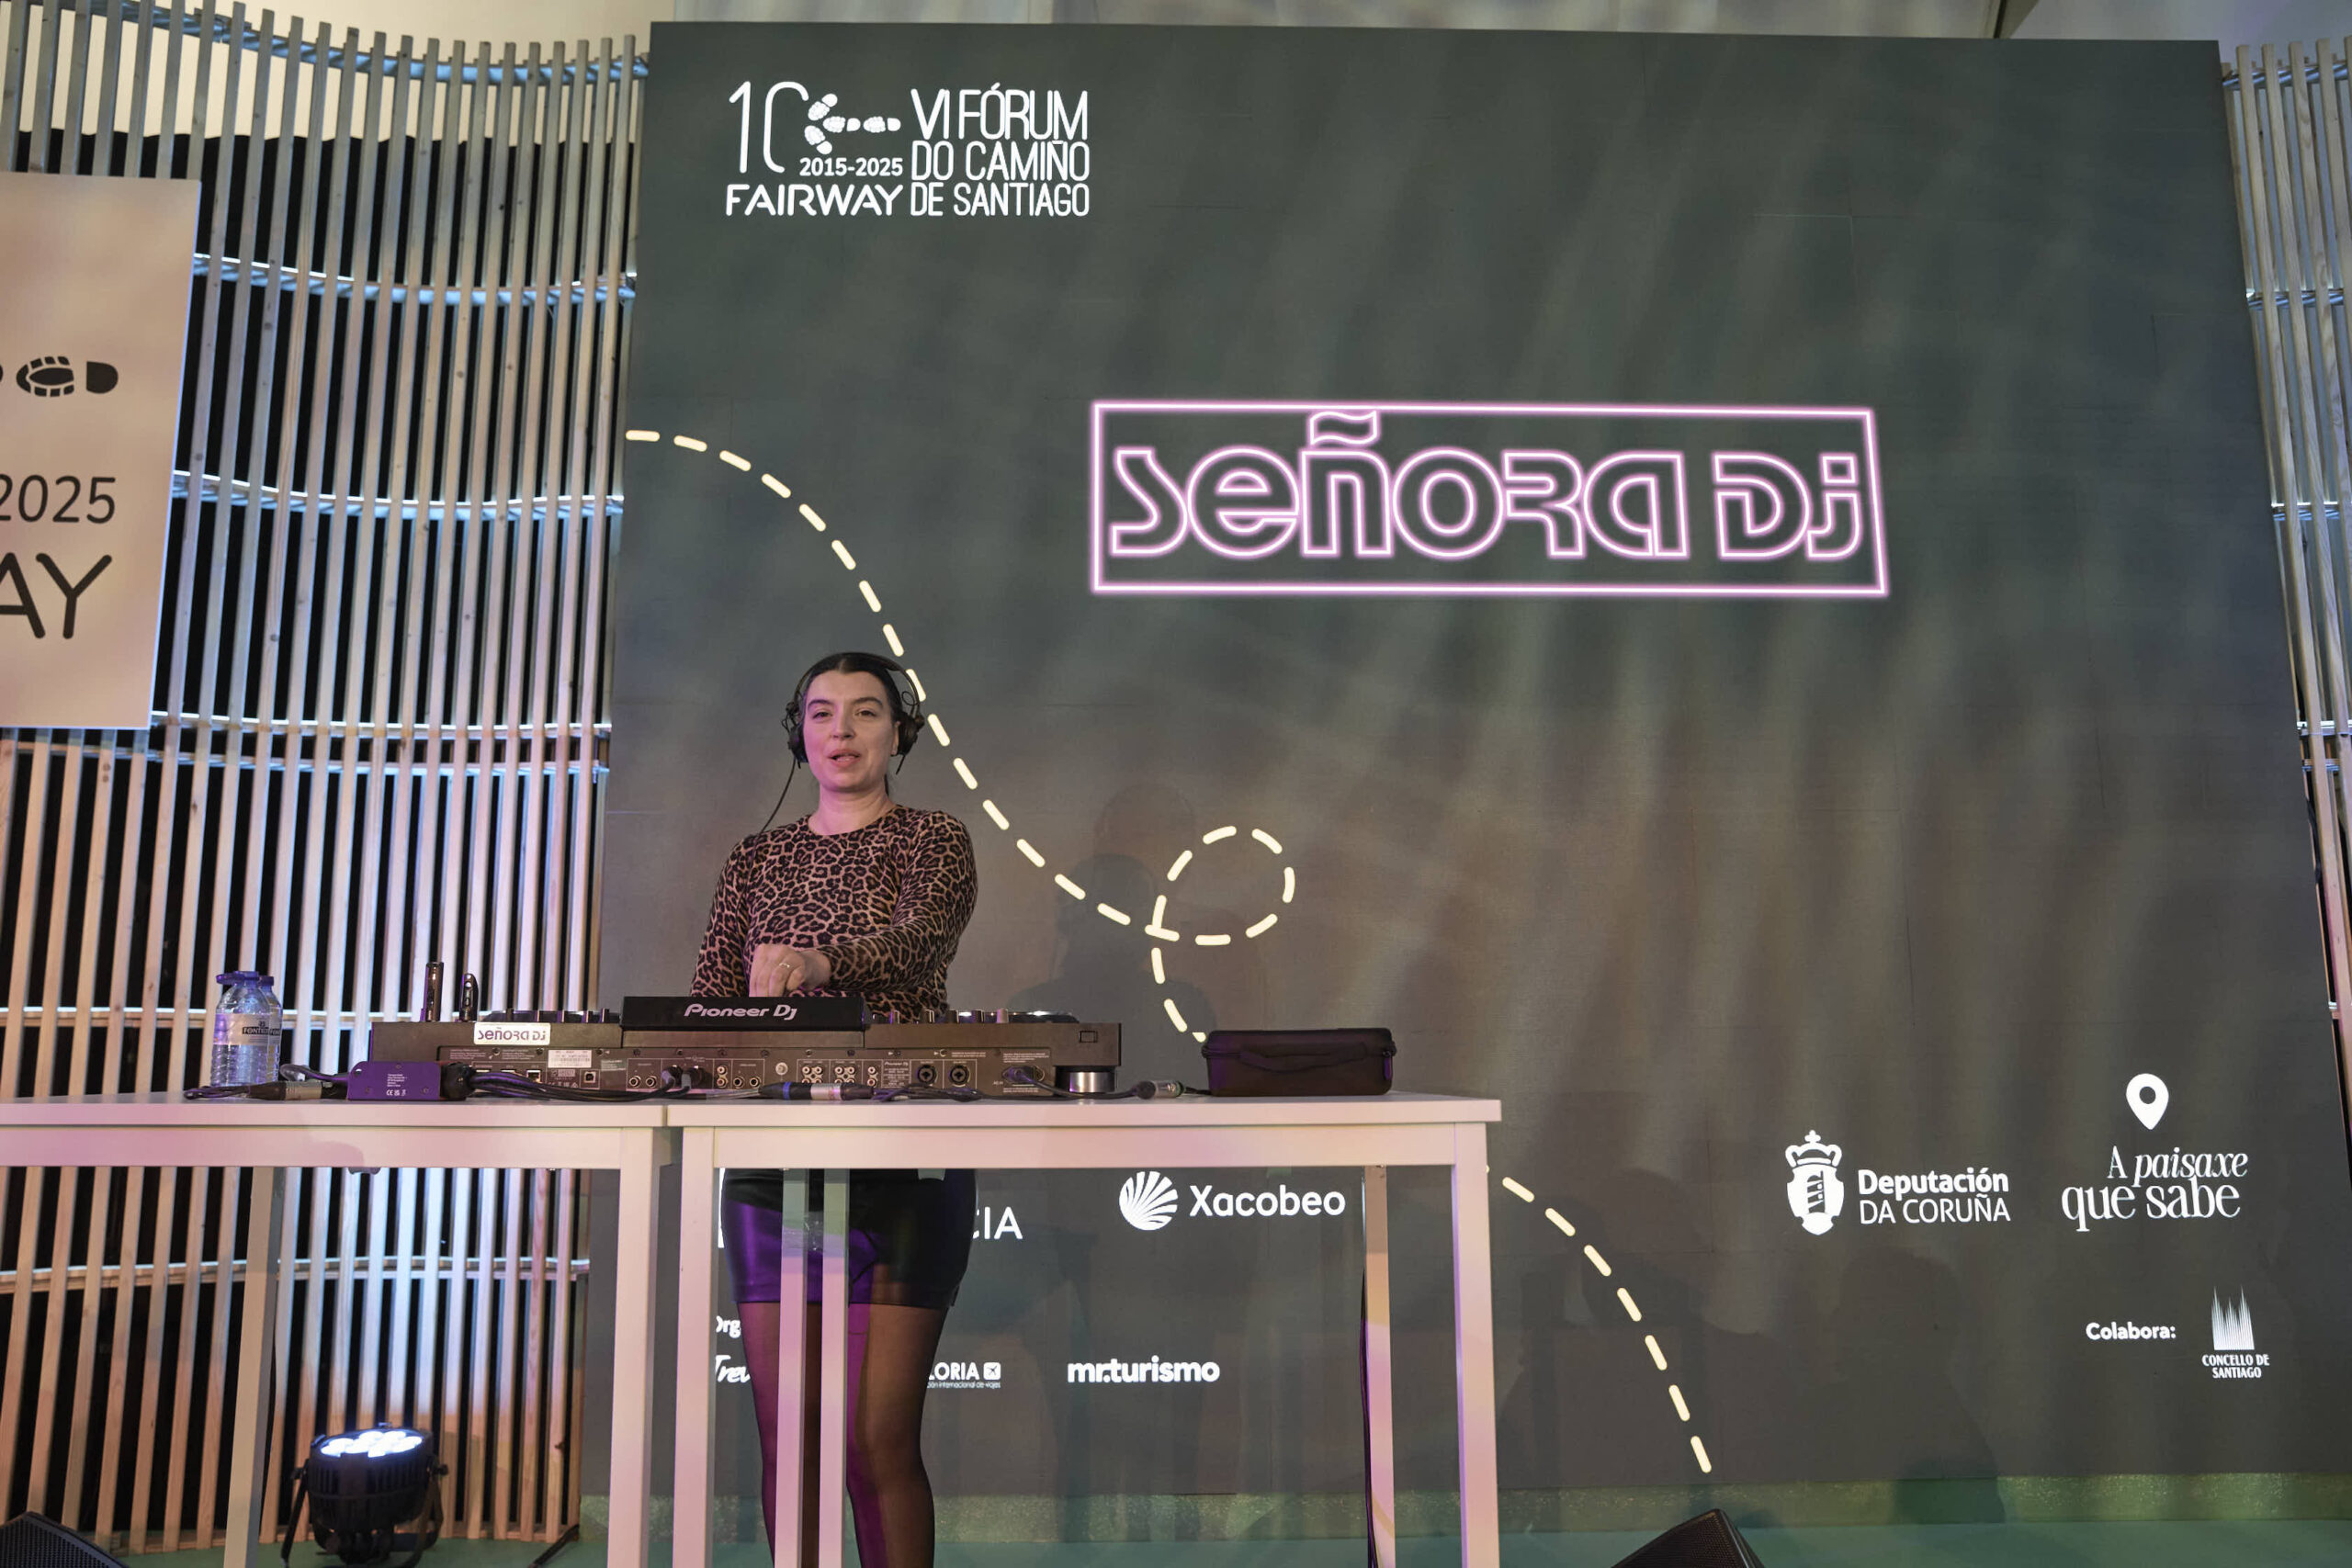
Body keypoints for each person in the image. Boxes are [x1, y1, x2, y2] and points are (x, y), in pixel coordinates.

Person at [692, 650, 978, 1568]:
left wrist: (820, 964)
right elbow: (709, 996)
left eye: (865, 711)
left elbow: (918, 941)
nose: (841, 731)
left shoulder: (934, 838)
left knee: (873, 1440)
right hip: (777, 1164)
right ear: (798, 733)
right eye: (821, 713)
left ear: (900, 732)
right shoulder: (755, 857)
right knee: (793, 1441)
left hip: (903, 1157)